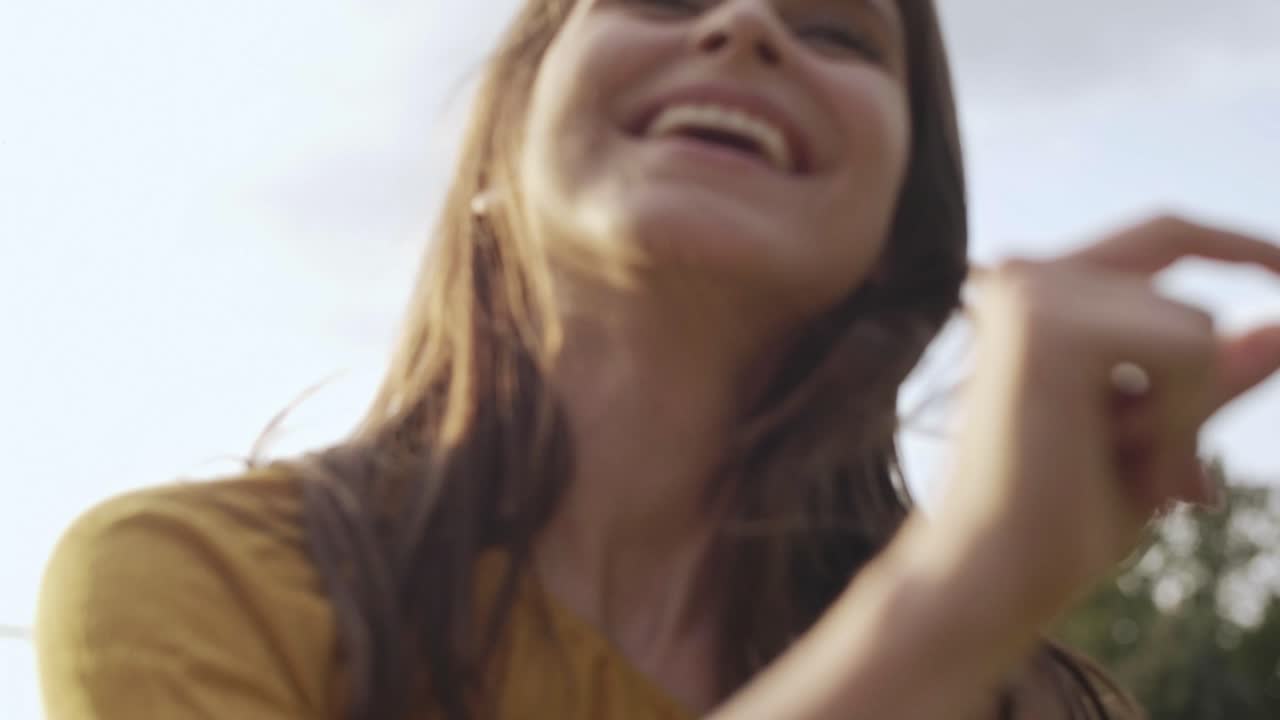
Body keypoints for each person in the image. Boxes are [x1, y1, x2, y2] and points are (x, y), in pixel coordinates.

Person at [36, 0, 1280, 718]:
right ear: (499, 144)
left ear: (904, 223)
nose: (742, 24)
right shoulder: (200, 582)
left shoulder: (1048, 711)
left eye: (836, 31)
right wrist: (940, 618)